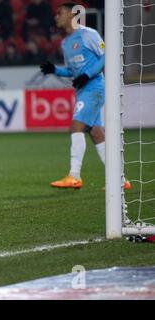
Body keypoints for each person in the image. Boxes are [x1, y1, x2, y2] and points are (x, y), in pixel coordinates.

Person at [39, 2, 131, 190]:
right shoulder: (65, 43)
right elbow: (73, 72)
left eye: (60, 13)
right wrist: (54, 70)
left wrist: (87, 75)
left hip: (94, 88)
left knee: (76, 126)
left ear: (72, 15)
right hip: (82, 90)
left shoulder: (88, 34)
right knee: (96, 134)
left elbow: (106, 56)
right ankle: (120, 180)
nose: (56, 17)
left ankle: (74, 176)